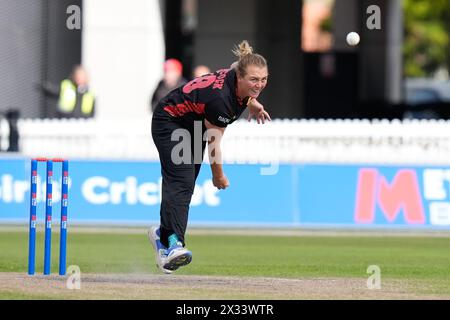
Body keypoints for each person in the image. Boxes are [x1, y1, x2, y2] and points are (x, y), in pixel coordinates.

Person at [148, 40, 271, 274]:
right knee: (181, 183)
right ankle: (172, 245)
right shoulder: (221, 102)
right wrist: (218, 176)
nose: (259, 84)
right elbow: (214, 143)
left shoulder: (238, 72)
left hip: (192, 125)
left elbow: (241, 73)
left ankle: (163, 235)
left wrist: (252, 103)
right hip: (171, 121)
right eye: (254, 80)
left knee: (184, 185)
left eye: (263, 79)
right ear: (241, 77)